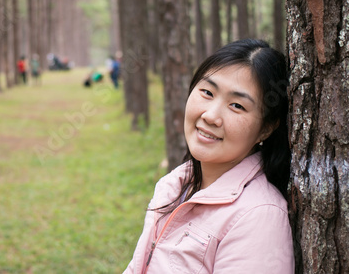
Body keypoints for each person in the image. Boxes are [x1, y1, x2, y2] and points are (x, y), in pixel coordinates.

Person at [124, 39, 294, 273]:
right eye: (207, 92)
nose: (211, 115)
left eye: (237, 105)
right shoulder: (177, 184)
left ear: (266, 128)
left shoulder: (258, 217)